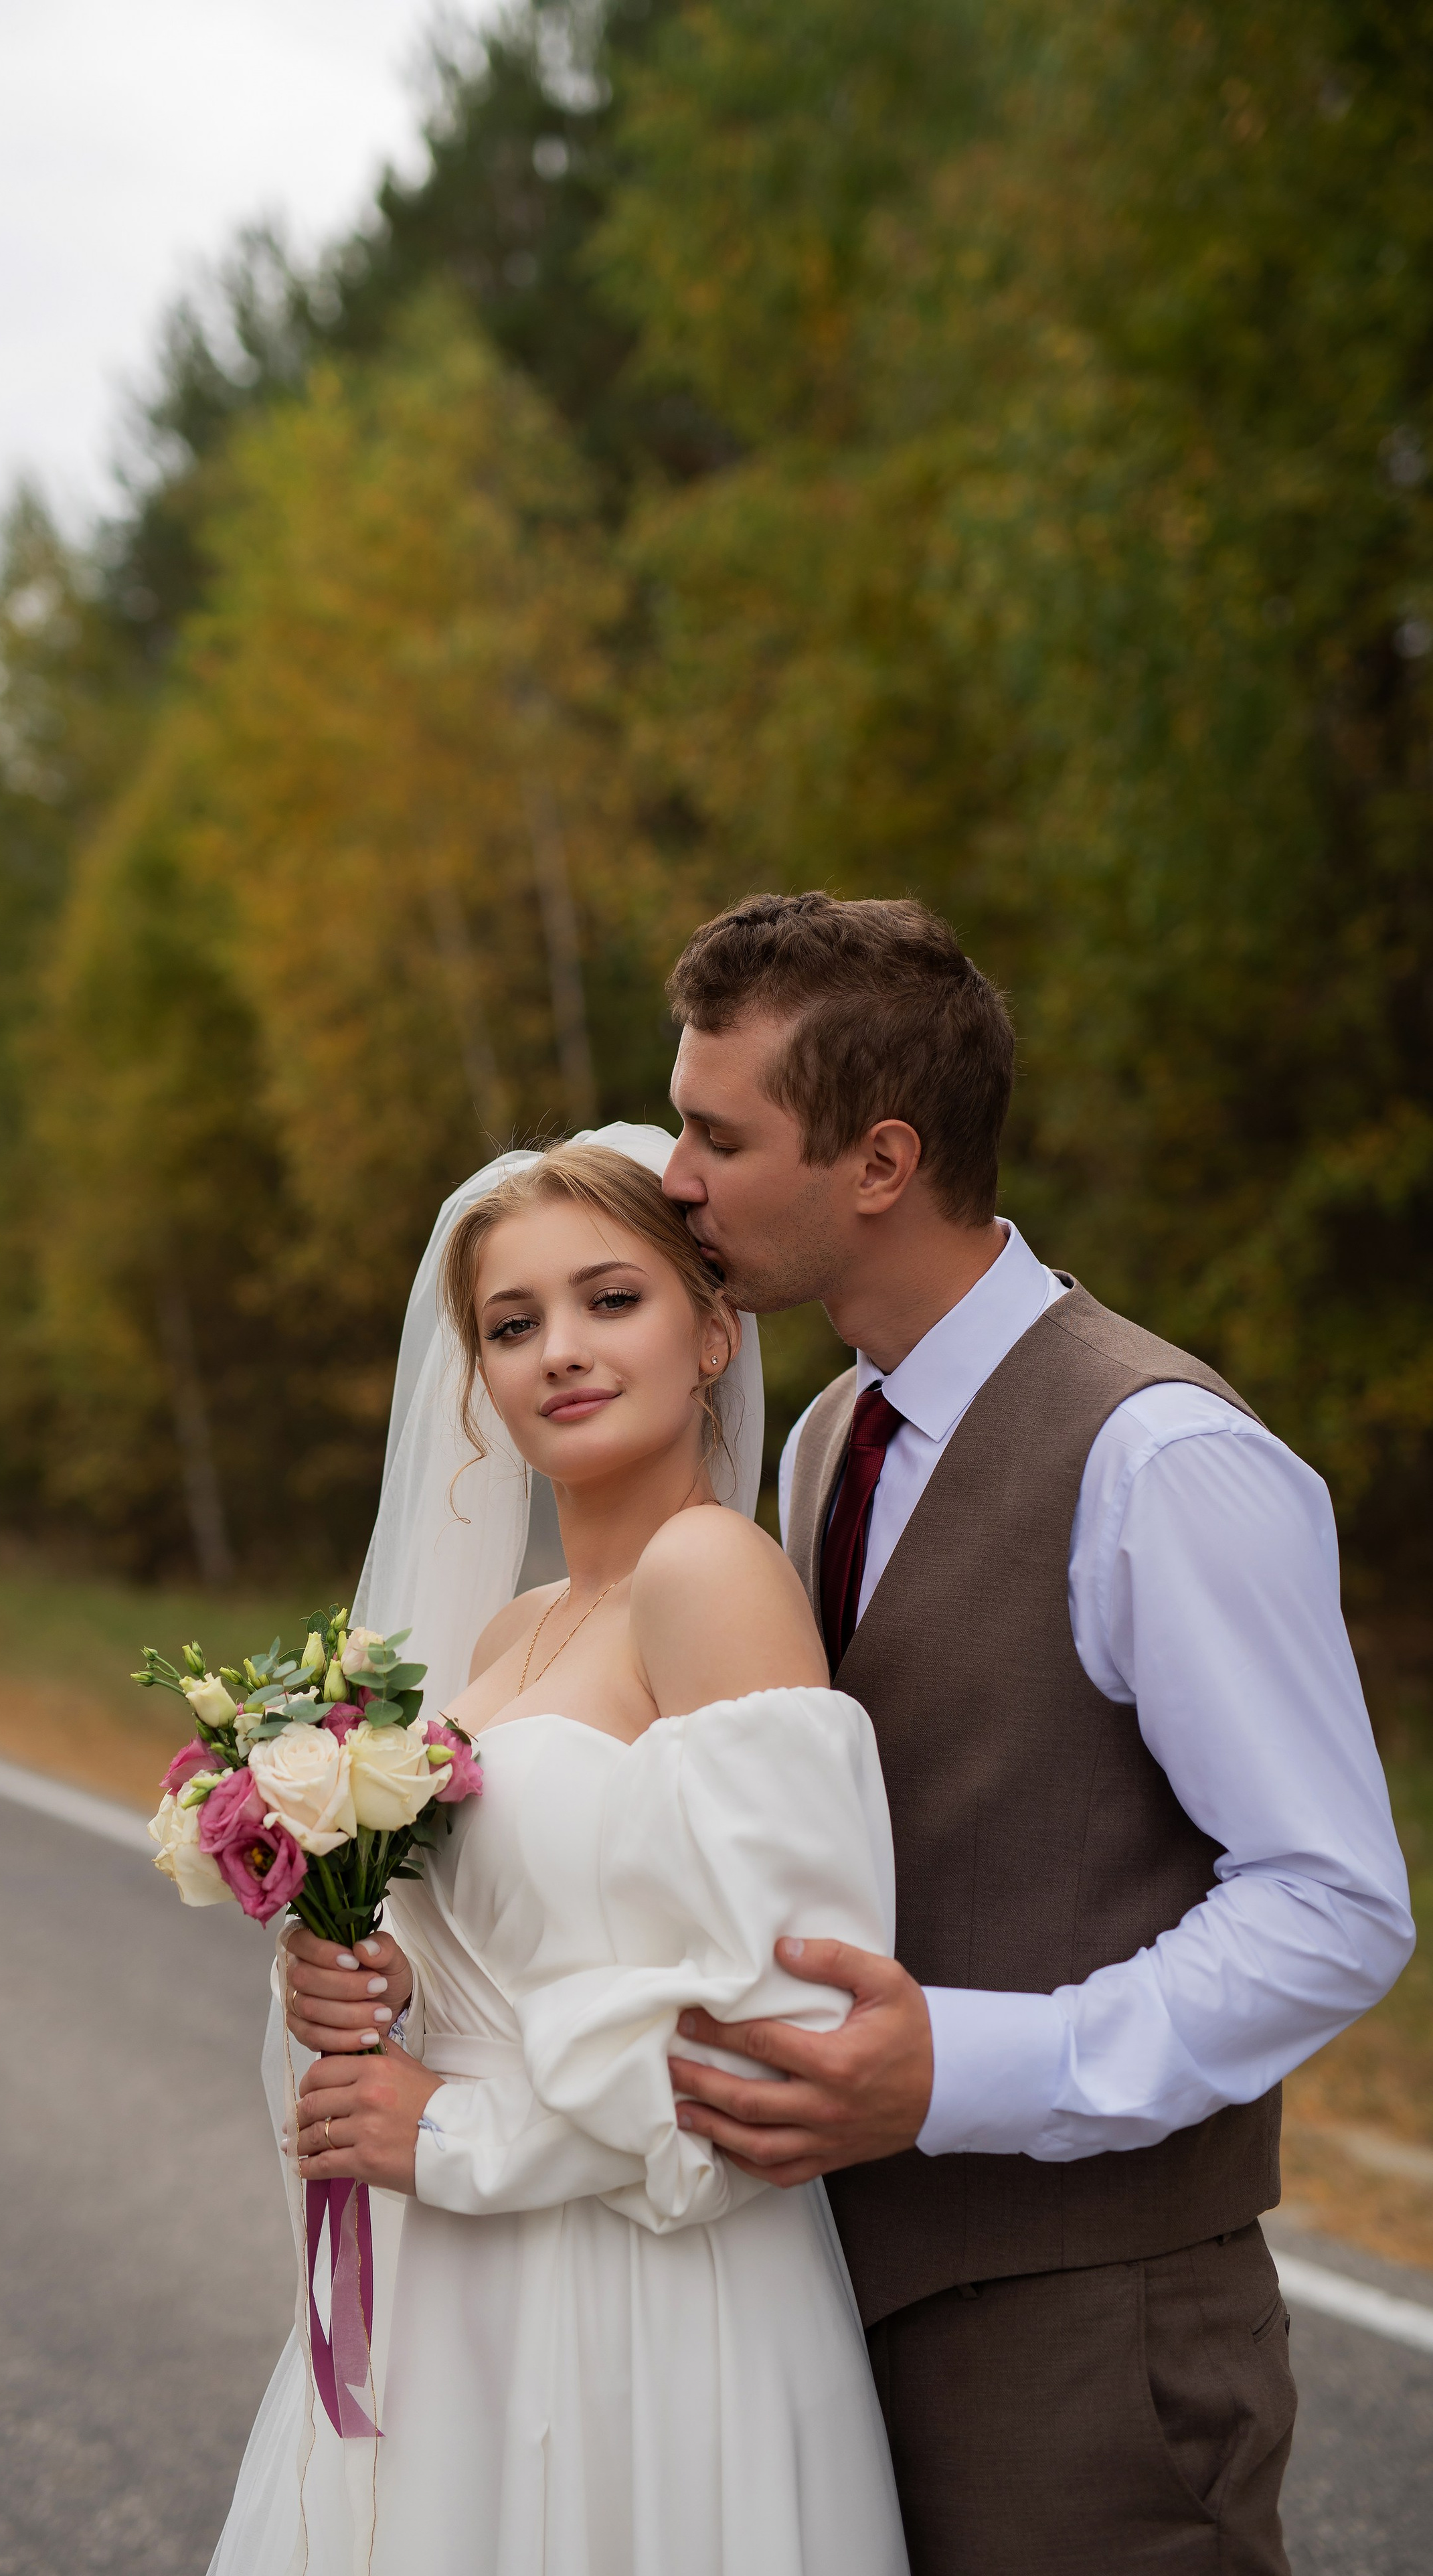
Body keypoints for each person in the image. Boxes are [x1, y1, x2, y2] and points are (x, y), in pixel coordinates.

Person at [655, 890, 1416, 2575]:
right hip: (833, 2308)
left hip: (1092, 2345)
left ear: (879, 1160)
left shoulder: (1160, 1457)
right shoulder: (826, 1436)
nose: (674, 1178)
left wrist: (964, 2066)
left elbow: (1332, 1903)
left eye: (718, 1135)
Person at [209, 1127, 909, 2576]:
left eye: (611, 1299)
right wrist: (369, 1978)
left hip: (631, 2297)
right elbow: (526, 1939)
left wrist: (451, 2134)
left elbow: (789, 2034)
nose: (560, 1351)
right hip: (459, 2286)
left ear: (712, 1332)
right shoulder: (512, 1630)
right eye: (513, 1324)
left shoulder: (709, 1573)